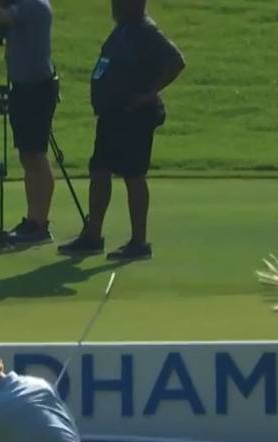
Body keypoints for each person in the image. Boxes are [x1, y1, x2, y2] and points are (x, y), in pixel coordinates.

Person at [59, 0, 185, 261]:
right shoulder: (124, 29)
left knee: (133, 175)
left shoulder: (146, 31)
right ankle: (93, 236)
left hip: (133, 116)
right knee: (100, 171)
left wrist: (149, 93)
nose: (113, 6)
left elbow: (176, 61)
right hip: (112, 115)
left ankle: (139, 243)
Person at [0, 0, 58, 246]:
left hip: (38, 88)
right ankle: (33, 220)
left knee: (36, 155)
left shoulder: (34, 4)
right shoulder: (19, 6)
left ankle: (39, 224)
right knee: (28, 155)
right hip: (23, 88)